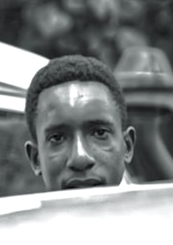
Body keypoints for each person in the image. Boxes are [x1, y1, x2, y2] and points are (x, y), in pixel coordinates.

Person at [24, 54, 136, 191]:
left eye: (100, 133)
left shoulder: (165, 210)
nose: (80, 159)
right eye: (57, 138)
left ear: (127, 147)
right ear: (36, 159)